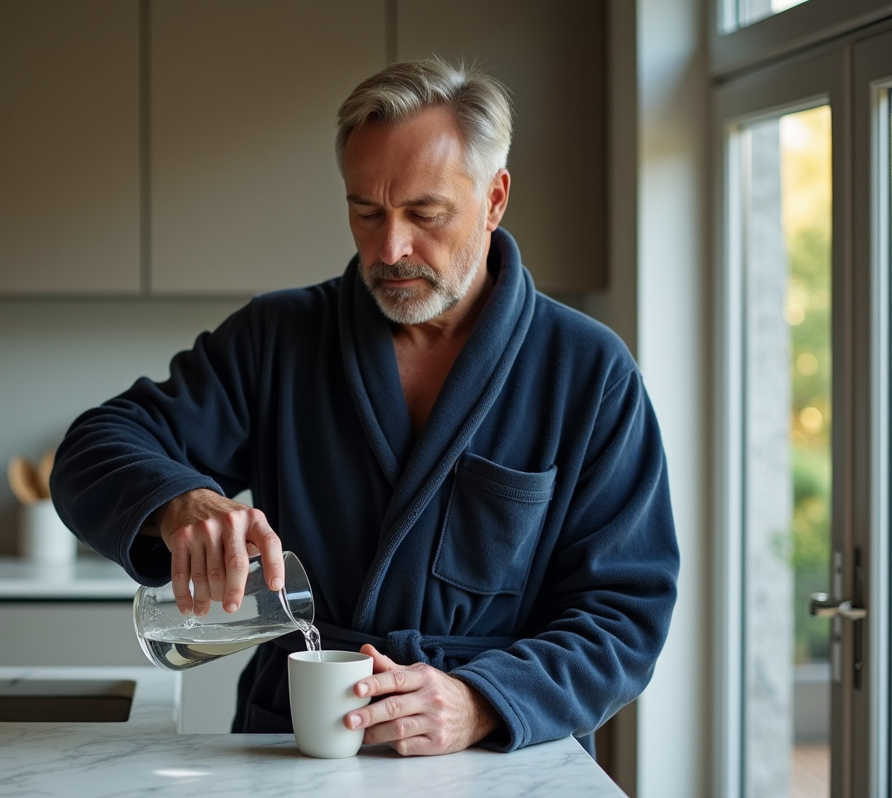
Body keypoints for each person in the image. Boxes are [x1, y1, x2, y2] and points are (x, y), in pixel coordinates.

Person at [52, 58, 679, 757]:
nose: (390, 248)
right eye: (366, 211)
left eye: (425, 213)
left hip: (499, 754)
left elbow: (625, 616)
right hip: (294, 746)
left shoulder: (588, 371)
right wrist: (179, 503)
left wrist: (480, 702)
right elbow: (93, 447)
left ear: (495, 198)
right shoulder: (278, 339)